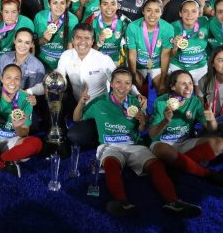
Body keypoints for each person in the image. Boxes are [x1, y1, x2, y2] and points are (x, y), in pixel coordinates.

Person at [73, 67, 201, 218]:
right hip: (110, 145)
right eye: (118, 82)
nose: (123, 86)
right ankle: (121, 201)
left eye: (127, 83)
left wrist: (143, 121)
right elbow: (76, 118)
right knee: (111, 165)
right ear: (111, 84)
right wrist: (81, 102)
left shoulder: (136, 102)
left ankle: (173, 202)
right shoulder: (99, 102)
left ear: (131, 85)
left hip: (134, 145)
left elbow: (143, 129)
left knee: (156, 165)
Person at [57, 23, 145, 147]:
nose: (82, 42)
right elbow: (58, 78)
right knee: (58, 97)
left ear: (93, 41)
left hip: (99, 107)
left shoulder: (103, 59)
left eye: (87, 38)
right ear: (72, 40)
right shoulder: (66, 55)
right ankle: (59, 136)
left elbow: (120, 80)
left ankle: (97, 135)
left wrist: (138, 94)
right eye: (78, 37)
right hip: (78, 102)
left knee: (77, 136)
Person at [149, 70, 223, 186]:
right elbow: (152, 134)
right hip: (163, 143)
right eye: (183, 84)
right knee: (163, 150)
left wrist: (211, 119)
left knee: (219, 143)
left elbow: (212, 130)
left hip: (185, 142)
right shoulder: (161, 102)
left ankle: (175, 165)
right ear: (172, 86)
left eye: (190, 83)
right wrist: (165, 121)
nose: (189, 87)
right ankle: (206, 173)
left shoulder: (195, 102)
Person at [0, 28, 46, 131]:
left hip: (24, 105)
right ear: (14, 41)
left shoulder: (38, 66)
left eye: (27, 43)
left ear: (31, 44)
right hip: (3, 102)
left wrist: (31, 98)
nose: (22, 46)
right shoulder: (3, 59)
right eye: (20, 41)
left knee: (33, 125)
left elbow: (40, 92)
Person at [127, 0, 174, 94]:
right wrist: (133, 75)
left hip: (157, 66)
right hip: (138, 66)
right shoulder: (133, 27)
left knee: (163, 90)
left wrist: (162, 80)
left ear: (161, 12)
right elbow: (132, 55)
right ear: (143, 11)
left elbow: (165, 56)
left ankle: (159, 108)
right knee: (131, 89)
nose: (152, 15)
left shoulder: (168, 28)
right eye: (149, 10)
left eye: (157, 11)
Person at [0, 0, 34, 80]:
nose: (10, 16)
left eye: (14, 12)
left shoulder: (26, 22)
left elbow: (31, 47)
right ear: (1, 12)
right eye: (6, 12)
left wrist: (30, 66)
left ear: (19, 12)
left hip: (18, 65)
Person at [34, 0, 78, 72]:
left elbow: (70, 47)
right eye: (55, 3)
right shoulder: (40, 17)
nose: (59, 6)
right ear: (49, 4)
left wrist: (66, 68)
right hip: (41, 62)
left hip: (61, 64)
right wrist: (44, 39)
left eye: (62, 3)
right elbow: (34, 43)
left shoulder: (72, 20)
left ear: (67, 4)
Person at [170, 0, 209, 92]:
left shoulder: (205, 22)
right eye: (185, 11)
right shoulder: (172, 27)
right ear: (180, 13)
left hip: (199, 66)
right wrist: (175, 46)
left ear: (199, 13)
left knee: (201, 96)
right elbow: (171, 55)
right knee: (177, 96)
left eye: (193, 11)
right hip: (178, 66)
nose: (189, 15)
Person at [90, 0, 130, 65]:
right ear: (99, 6)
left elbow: (131, 47)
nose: (109, 7)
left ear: (117, 6)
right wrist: (98, 44)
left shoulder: (124, 22)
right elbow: (87, 51)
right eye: (105, 4)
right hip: (97, 62)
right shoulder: (92, 22)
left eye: (113, 4)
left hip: (117, 62)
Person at [198, 47, 223, 127]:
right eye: (221, 60)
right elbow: (202, 106)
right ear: (212, 63)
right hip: (213, 122)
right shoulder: (203, 82)